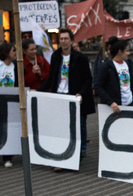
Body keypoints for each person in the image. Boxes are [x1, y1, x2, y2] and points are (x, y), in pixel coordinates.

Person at [39, 28, 95, 157]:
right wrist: (38, 91)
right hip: (59, 95)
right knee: (61, 125)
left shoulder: (80, 58)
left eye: (66, 39)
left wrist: (81, 93)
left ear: (71, 41)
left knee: (79, 124)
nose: (63, 41)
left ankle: (81, 150)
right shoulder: (55, 56)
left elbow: (87, 79)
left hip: (74, 96)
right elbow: (52, 78)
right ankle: (63, 150)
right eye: (61, 39)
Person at [95, 36, 133, 114]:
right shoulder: (107, 66)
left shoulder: (128, 64)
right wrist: (110, 102)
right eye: (127, 51)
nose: (129, 53)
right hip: (115, 108)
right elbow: (97, 86)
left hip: (129, 104)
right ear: (120, 51)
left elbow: (132, 85)